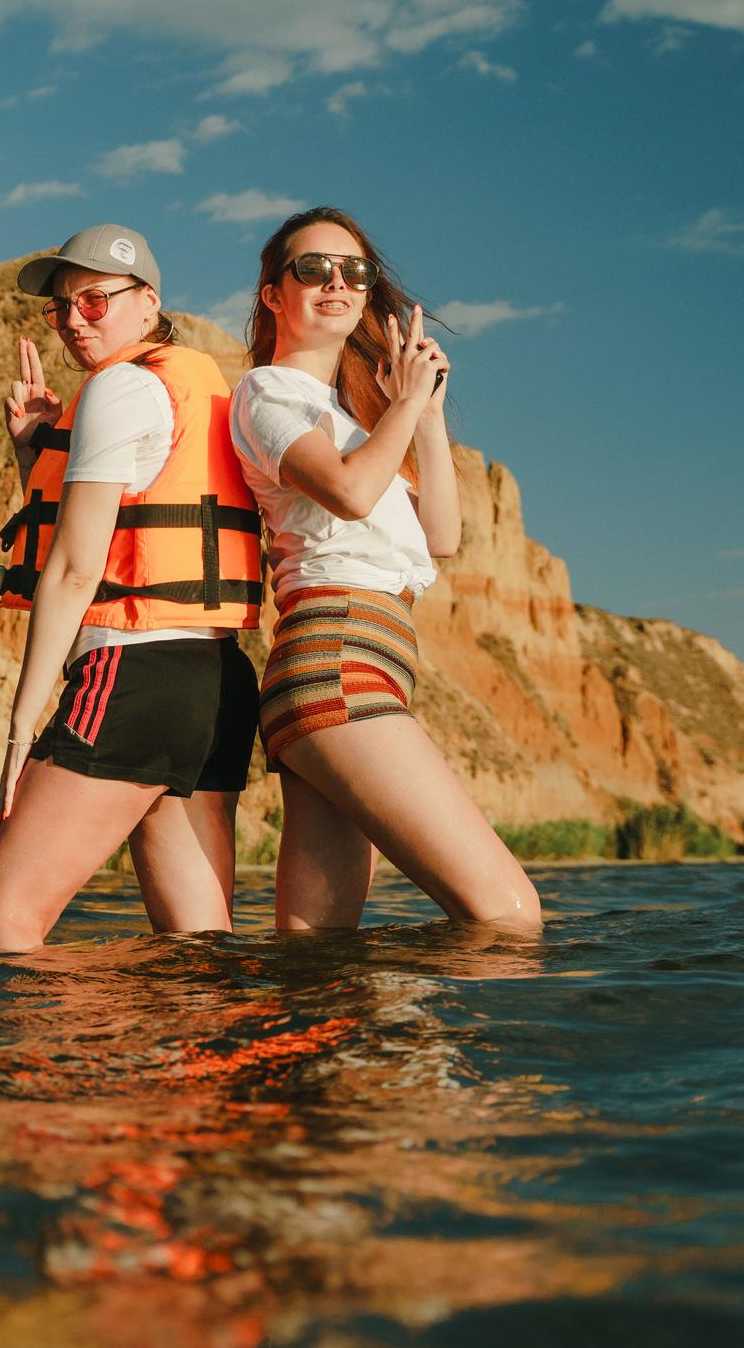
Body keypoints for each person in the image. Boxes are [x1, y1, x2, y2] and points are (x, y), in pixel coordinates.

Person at [228, 206, 542, 934]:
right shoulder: (270, 393)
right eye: (312, 268)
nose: (336, 281)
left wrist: (424, 415)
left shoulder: (357, 423)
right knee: (509, 912)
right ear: (274, 294)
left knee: (319, 947)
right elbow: (348, 490)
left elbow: (443, 536)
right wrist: (401, 406)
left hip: (362, 657)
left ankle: (315, 1051)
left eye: (355, 271)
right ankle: (429, 1051)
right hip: (338, 654)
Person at [0, 224, 264, 953]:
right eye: (60, 309)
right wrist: (32, 453)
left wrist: (16, 739)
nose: (73, 320)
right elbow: (102, 540)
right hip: (215, 683)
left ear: (147, 303)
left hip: (133, 671)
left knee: (4, 920)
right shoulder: (190, 383)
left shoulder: (120, 387)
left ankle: (65, 1069)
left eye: (94, 301)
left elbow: (72, 572)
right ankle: (202, 1068)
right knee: (197, 945)